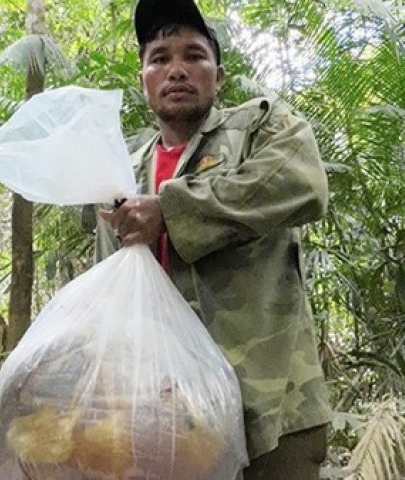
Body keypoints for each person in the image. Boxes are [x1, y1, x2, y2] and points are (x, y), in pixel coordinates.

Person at [91, 0, 333, 478]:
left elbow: (303, 183)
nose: (176, 69)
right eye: (159, 58)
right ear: (142, 79)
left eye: (194, 56)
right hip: (163, 412)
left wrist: (172, 210)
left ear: (218, 76)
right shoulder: (121, 171)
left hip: (269, 407)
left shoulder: (259, 127)